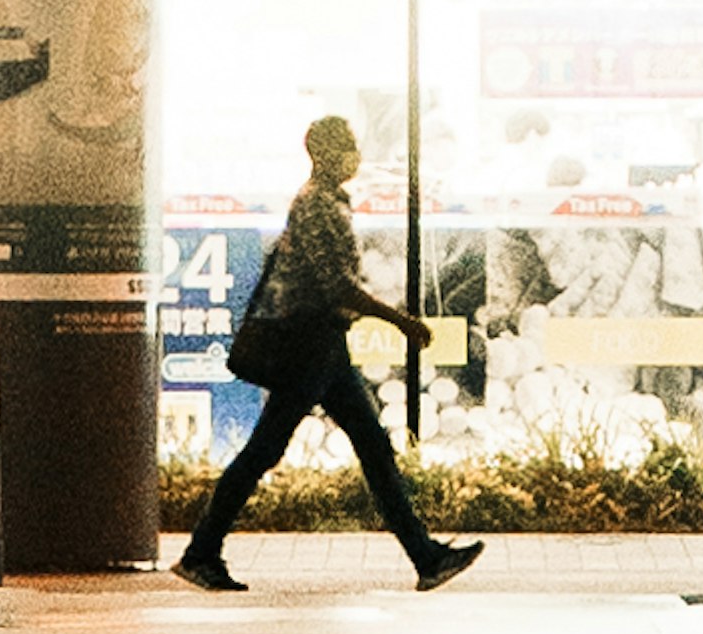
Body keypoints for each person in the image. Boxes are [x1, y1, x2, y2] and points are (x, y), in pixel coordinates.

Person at [178, 114, 483, 595]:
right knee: (268, 449)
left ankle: (425, 556)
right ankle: (200, 553)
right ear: (322, 154)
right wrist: (400, 321)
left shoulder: (329, 202)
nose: (354, 155)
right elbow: (334, 284)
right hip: (308, 342)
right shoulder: (317, 205)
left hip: (323, 345)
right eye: (346, 146)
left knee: (371, 445)